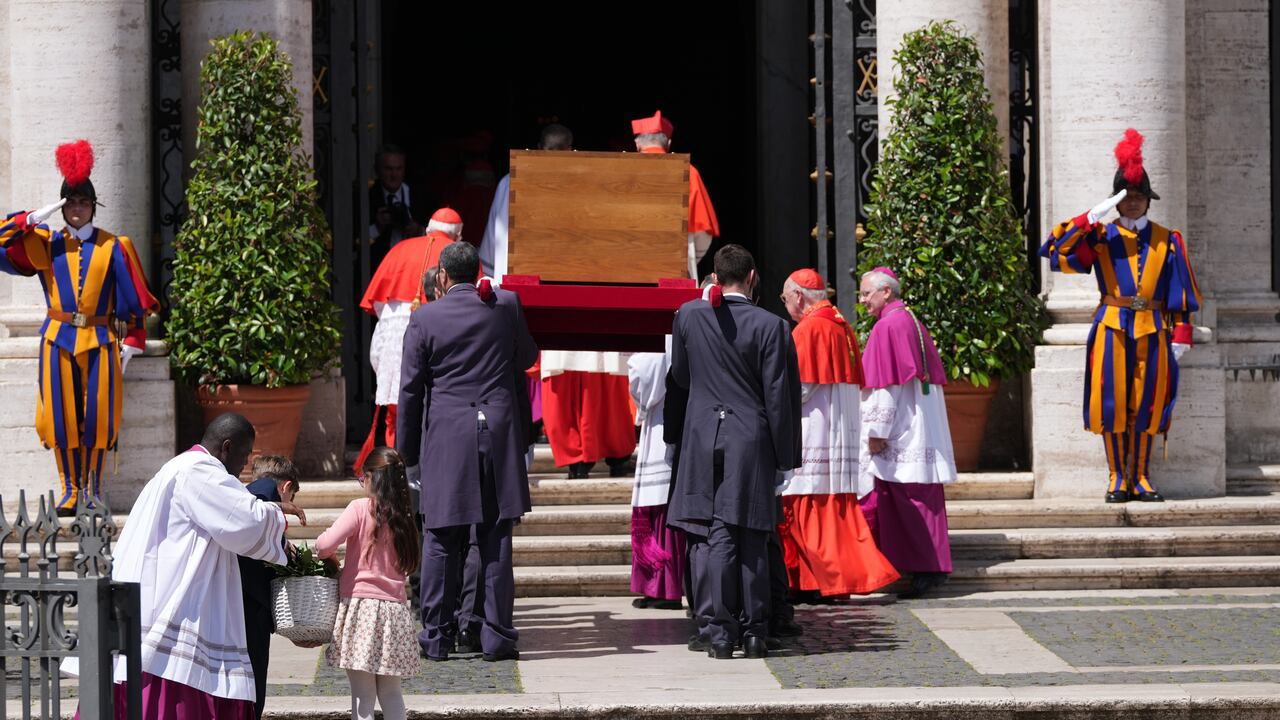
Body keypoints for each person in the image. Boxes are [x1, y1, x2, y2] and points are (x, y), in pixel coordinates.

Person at [63, 413, 297, 718]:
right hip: (173, 600)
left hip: (153, 591)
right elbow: (244, 523)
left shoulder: (179, 467)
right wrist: (276, 516)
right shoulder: (200, 471)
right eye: (244, 453)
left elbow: (234, 511)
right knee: (172, 688)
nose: (245, 463)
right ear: (227, 446)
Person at [1039, 128, 1202, 503]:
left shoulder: (1168, 239)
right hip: (1112, 326)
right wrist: (1089, 217)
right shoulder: (1101, 236)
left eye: (1138, 197)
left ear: (1148, 201)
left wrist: (1181, 335)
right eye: (1126, 197)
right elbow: (1055, 252)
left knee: (1148, 403)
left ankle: (1141, 477)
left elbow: (1181, 292)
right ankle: (1116, 477)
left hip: (1154, 328)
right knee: (1110, 402)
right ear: (1116, 201)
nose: (1133, 203)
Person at [0, 139, 157, 516]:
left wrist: (134, 340)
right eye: (69, 202)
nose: (76, 209)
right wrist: (33, 217)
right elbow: (3, 238)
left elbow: (133, 298)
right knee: (61, 417)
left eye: (83, 202)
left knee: (99, 419)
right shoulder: (46, 243)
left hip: (101, 339)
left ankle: (94, 491)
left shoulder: (114, 246)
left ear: (93, 205)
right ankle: (70, 491)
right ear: (62, 206)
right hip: (58, 339)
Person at [397, 241, 538, 662]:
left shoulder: (425, 318)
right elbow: (527, 356)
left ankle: (436, 637)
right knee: (495, 538)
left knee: (441, 537)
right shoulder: (506, 305)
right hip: (496, 432)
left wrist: (406, 454)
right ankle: (495, 636)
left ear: (442, 276)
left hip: (448, 437)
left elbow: (410, 391)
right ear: (478, 271)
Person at [668, 244, 801, 660]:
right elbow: (779, 396)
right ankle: (755, 630)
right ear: (752, 277)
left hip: (703, 435)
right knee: (754, 532)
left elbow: (681, 377)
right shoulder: (772, 325)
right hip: (750, 437)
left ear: (715, 275)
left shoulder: (688, 315)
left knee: (716, 534)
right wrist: (786, 456)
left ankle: (720, 632)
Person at [777, 269, 900, 599]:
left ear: (799, 296)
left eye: (785, 298)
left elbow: (800, 389)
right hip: (838, 437)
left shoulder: (809, 329)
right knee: (829, 511)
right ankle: (821, 583)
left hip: (814, 437)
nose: (785, 304)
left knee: (806, 507)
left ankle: (823, 581)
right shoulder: (841, 325)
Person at [857, 267, 957, 599]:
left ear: (886, 292)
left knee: (909, 501)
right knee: (920, 498)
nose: (862, 301)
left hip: (902, 429)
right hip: (918, 424)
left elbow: (887, 386)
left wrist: (876, 431)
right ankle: (926, 568)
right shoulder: (909, 319)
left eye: (866, 294)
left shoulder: (888, 326)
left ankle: (926, 570)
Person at [316, 447, 421, 720]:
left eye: (362, 478)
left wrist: (331, 558)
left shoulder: (360, 508)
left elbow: (324, 545)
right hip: (395, 612)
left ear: (373, 477)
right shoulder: (404, 516)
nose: (362, 482)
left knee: (363, 695)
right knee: (392, 692)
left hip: (361, 610)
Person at [355, 207, 461, 473]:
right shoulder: (458, 255)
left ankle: (395, 469)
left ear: (428, 228)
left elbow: (378, 303)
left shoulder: (400, 248)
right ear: (458, 235)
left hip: (393, 333)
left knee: (397, 408)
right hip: (439, 330)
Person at [238, 455, 305, 720]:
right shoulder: (263, 490)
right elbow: (255, 512)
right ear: (286, 486)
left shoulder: (251, 494)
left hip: (242, 604)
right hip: (249, 607)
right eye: (291, 497)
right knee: (252, 688)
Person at [626, 338, 685, 610]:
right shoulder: (681, 337)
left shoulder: (657, 341)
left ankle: (664, 589)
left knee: (659, 511)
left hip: (659, 425)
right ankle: (662, 589)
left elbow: (641, 372)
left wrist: (641, 406)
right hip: (679, 420)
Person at [631, 110, 721, 279]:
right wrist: (688, 259)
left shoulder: (623, 169)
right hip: (675, 272)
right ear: (669, 143)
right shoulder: (688, 171)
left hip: (628, 266)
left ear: (637, 144)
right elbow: (703, 233)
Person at [479, 123, 574, 280]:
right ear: (569, 150)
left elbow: (493, 236)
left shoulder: (509, 182)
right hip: (564, 275)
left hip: (512, 280)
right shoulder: (577, 184)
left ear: (539, 148)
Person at [368, 144, 425, 270]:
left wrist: (418, 230)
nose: (394, 175)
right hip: (379, 268)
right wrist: (377, 228)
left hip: (412, 266)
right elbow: (353, 243)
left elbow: (435, 236)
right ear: (377, 170)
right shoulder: (367, 197)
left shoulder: (418, 195)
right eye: (388, 169)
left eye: (399, 169)